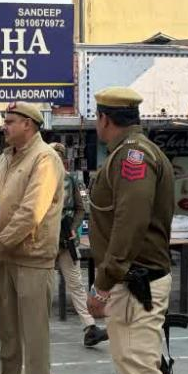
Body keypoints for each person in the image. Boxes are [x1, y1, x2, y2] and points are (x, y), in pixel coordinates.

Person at [86, 87, 180, 374]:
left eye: (97, 118)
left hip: (135, 283)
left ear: (105, 119)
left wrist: (102, 284)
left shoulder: (133, 157)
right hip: (131, 281)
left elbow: (129, 224)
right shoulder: (128, 152)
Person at [0, 101, 64, 374]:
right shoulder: (5, 158)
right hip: (7, 259)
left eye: (10, 121)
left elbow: (31, 212)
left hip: (32, 259)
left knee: (34, 338)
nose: (5, 126)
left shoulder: (45, 159)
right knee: (8, 334)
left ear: (29, 124)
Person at [49, 142, 108, 348]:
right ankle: (34, 325)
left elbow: (83, 207)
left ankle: (90, 327)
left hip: (67, 239)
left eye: (58, 157)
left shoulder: (73, 180)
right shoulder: (37, 180)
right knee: (41, 285)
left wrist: (73, 228)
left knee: (75, 283)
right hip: (44, 241)